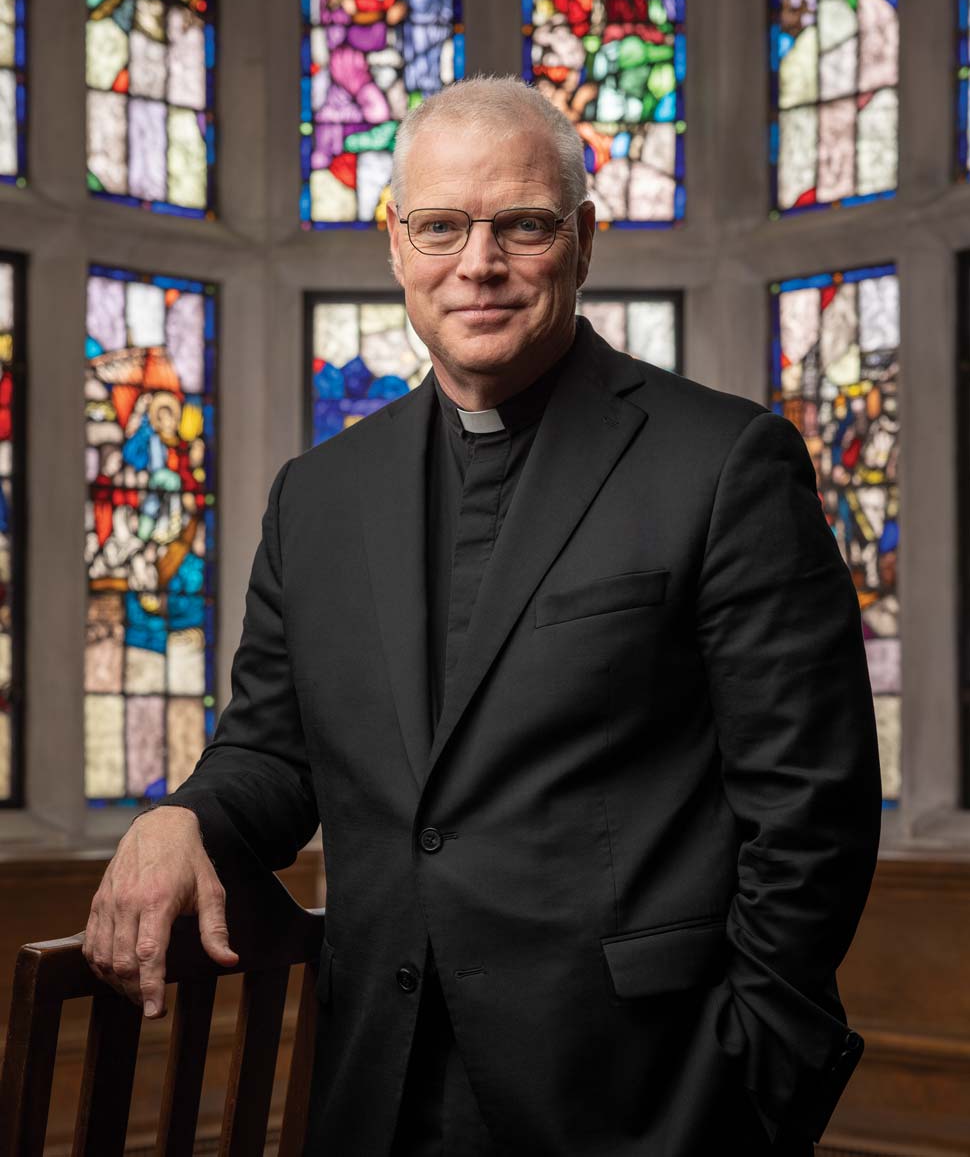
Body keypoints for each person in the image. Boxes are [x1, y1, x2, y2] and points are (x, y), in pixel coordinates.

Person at [83, 77, 882, 1156]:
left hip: (645, 1093)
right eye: (442, 226)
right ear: (395, 242)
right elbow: (272, 750)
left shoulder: (721, 462)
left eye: (523, 226)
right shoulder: (316, 495)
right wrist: (182, 817)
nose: (479, 264)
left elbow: (811, 812)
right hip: (377, 1082)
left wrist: (750, 1081)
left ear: (584, 239)